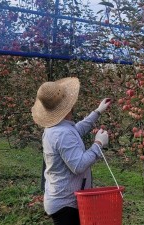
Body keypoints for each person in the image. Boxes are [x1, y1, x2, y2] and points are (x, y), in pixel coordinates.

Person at [31, 77, 111, 225]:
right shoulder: (61, 133)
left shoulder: (58, 127)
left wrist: (97, 112)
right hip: (66, 205)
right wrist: (98, 144)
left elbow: (75, 131)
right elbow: (79, 165)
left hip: (62, 199)